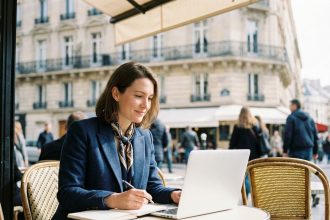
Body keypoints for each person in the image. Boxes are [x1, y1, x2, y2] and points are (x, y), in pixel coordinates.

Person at [53, 62, 181, 219]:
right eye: (139, 96)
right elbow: (67, 193)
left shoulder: (145, 137)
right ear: (116, 94)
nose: (145, 105)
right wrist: (112, 199)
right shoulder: (82, 131)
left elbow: (152, 187)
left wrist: (174, 194)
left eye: (150, 98)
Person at [229, 107, 261, 196]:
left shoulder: (237, 126)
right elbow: (259, 141)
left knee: (244, 176)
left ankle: (246, 195)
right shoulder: (255, 125)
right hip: (254, 155)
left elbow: (232, 143)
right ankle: (253, 194)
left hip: (242, 155)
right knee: (252, 175)